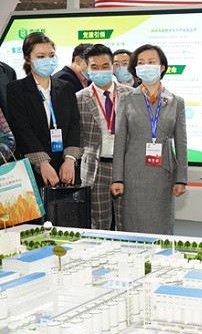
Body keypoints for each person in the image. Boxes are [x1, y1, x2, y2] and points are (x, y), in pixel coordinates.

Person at [111, 44, 187, 234]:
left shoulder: (176, 101)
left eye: (151, 62)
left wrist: (181, 179)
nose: (146, 66)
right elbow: (120, 140)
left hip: (163, 175)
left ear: (162, 67)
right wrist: (117, 178)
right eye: (141, 63)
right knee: (134, 227)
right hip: (133, 174)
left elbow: (181, 143)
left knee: (161, 228)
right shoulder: (126, 98)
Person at [6, 32, 81, 191]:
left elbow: (74, 125)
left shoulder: (66, 88)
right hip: (32, 165)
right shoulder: (16, 89)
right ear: (28, 59)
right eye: (40, 56)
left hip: (66, 167)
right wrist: (42, 162)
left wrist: (70, 159)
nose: (48, 60)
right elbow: (21, 129)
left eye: (51, 55)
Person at [77, 44, 133, 231]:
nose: (100, 71)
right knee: (98, 225)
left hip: (125, 167)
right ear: (87, 68)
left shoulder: (131, 95)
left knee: (128, 222)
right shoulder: (79, 98)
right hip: (95, 168)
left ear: (113, 67)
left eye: (105, 66)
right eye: (95, 67)